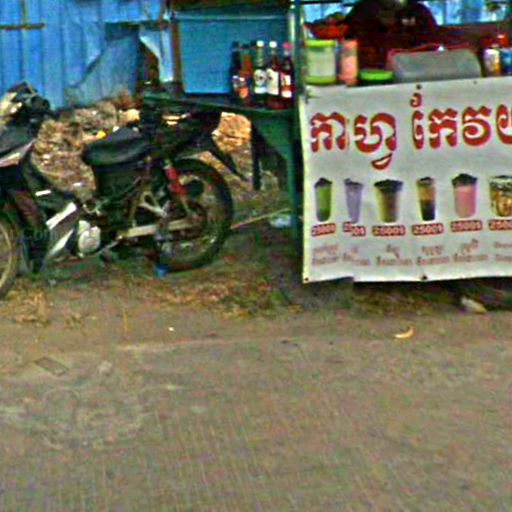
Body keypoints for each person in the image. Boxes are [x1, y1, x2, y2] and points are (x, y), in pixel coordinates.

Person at [344, 0, 446, 68]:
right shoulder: (362, 12)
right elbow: (349, 48)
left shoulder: (418, 12)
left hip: (412, 76)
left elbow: (431, 47)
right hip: (370, 78)